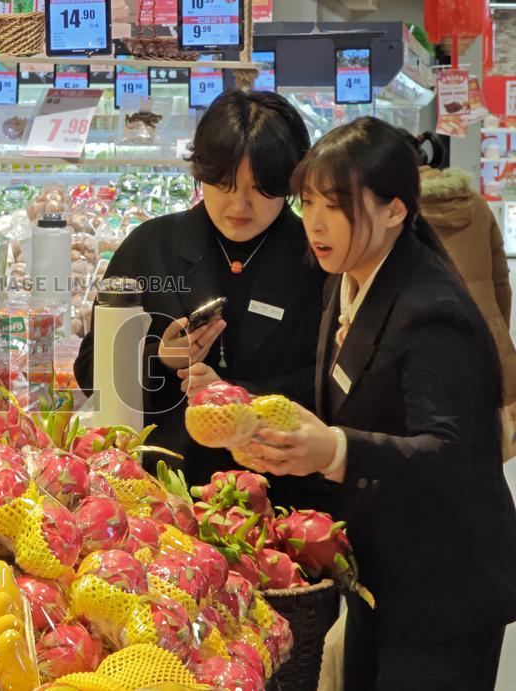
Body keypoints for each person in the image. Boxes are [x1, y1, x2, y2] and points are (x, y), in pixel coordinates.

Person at [242, 116, 516, 690]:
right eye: (307, 202)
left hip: (442, 588)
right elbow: (349, 397)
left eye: (336, 206)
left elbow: (452, 454)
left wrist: (335, 450)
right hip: (379, 573)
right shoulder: (346, 280)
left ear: (394, 210)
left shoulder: (432, 309)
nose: (315, 223)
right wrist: (252, 413)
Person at [73, 89, 337, 513]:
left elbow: (337, 386)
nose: (239, 205)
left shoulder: (320, 257)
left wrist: (238, 399)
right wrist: (160, 360)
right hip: (160, 499)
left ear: (289, 182)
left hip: (286, 502)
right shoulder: (150, 246)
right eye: (224, 184)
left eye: (260, 189)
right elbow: (90, 371)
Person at [416, 159, 516, 458]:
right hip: (487, 339)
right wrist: (496, 327)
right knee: (490, 446)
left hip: (429, 342)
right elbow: (502, 284)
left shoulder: (401, 213)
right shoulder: (478, 205)